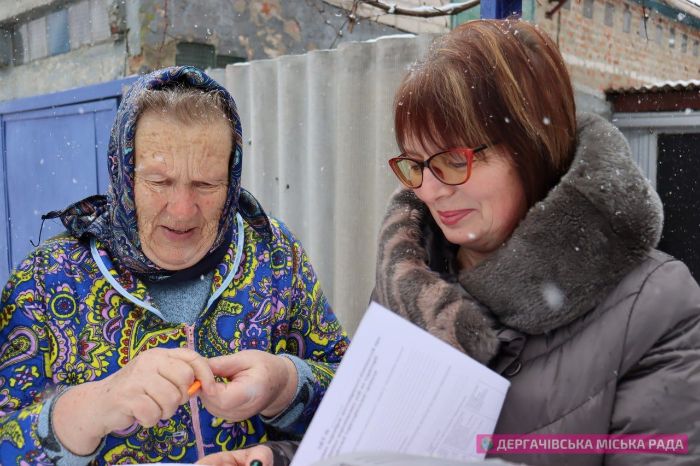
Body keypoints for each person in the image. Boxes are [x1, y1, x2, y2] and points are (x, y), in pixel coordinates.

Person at [372, 19, 700, 466]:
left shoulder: (654, 308)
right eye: (414, 164)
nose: (430, 191)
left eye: (453, 160)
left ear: (533, 146)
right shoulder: (409, 277)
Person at [0, 66, 348, 465]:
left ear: (232, 178)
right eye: (159, 182)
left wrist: (284, 386)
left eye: (206, 184)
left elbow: (355, 401)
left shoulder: (274, 255)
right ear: (123, 174)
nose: (182, 210)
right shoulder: (46, 280)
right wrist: (90, 408)